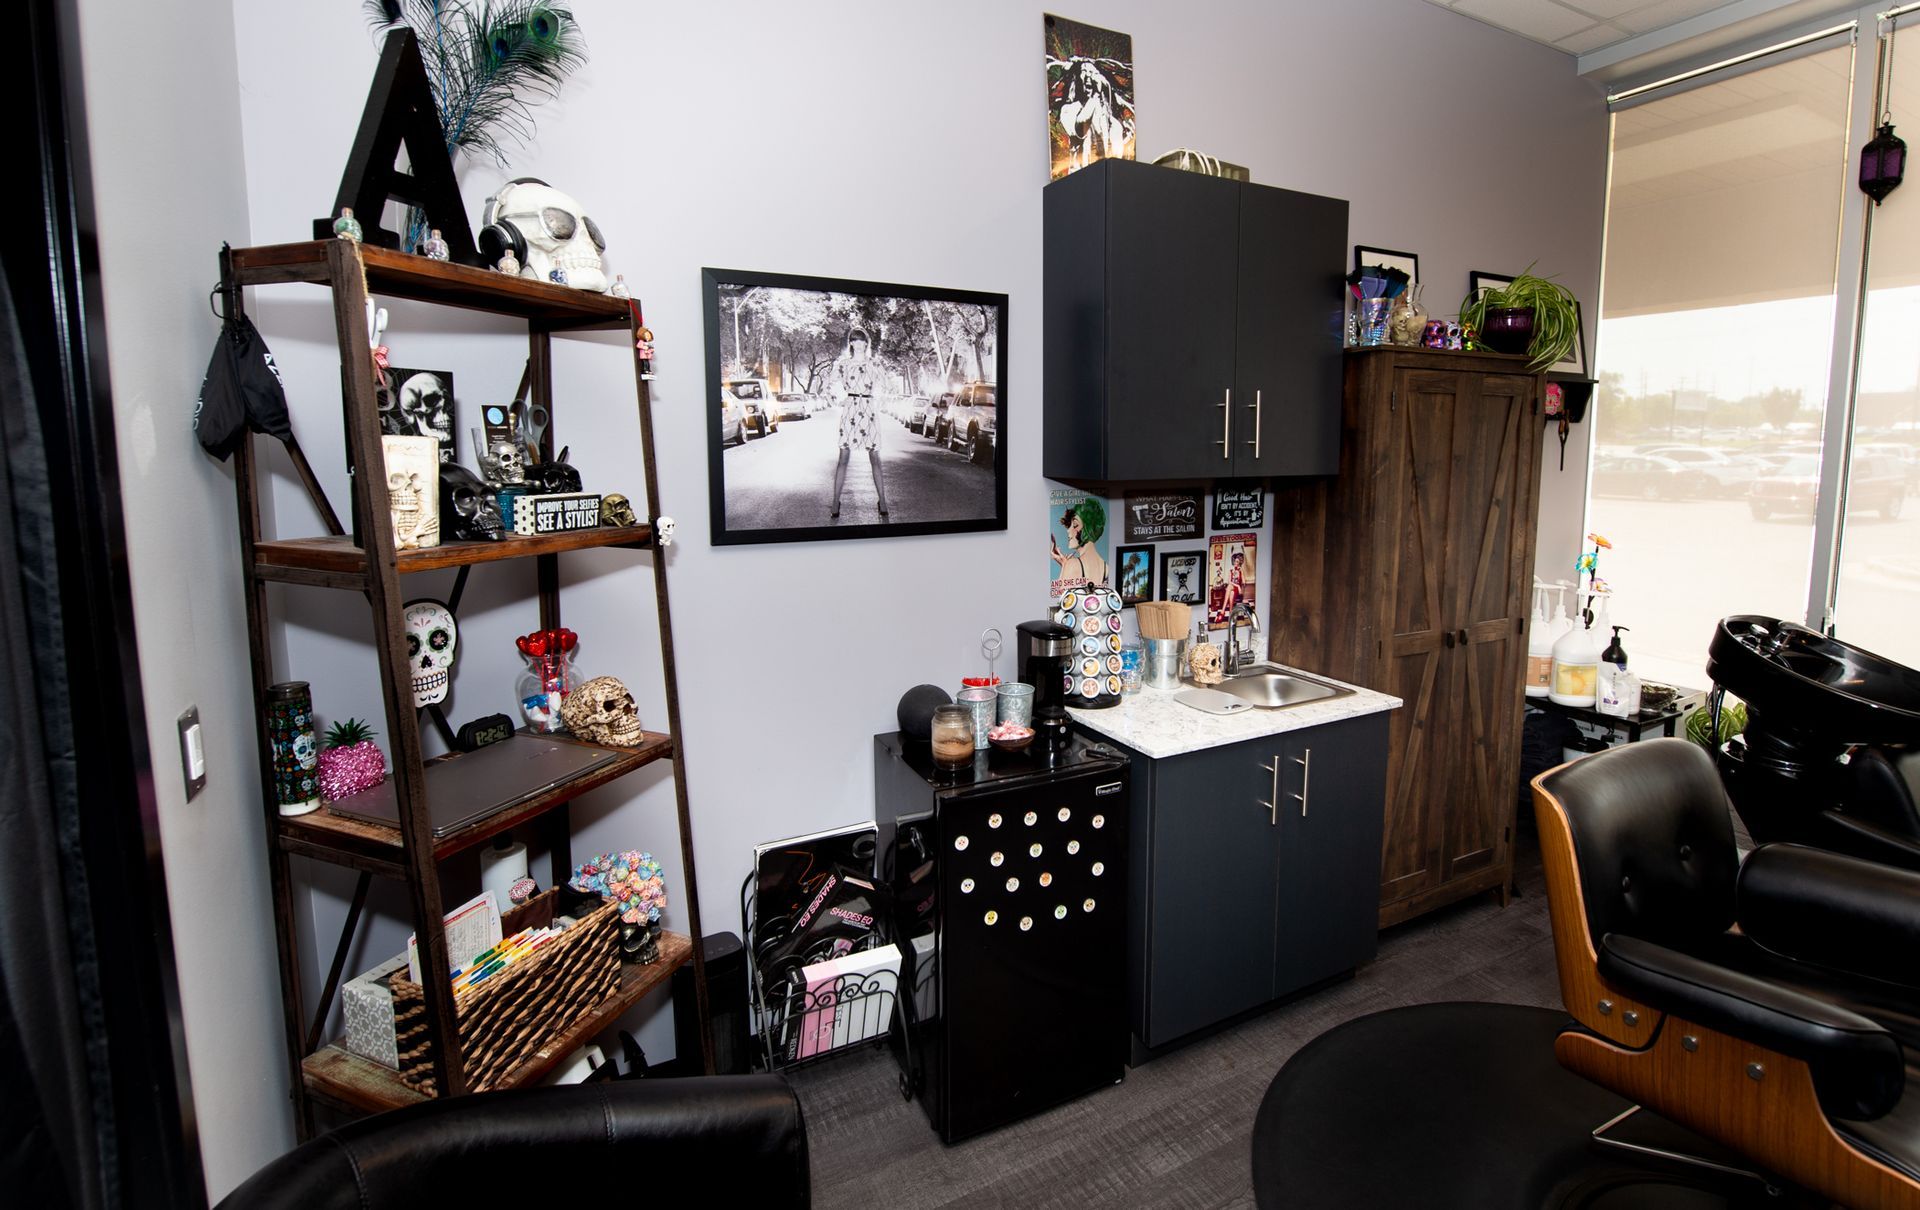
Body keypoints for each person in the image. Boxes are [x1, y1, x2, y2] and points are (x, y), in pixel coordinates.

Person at [830, 328, 889, 519]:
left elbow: (886, 385)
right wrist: (838, 399)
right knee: (843, 457)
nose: (858, 344)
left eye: (861, 340)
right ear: (851, 344)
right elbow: (830, 384)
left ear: (866, 343)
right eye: (854, 340)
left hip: (869, 410)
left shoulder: (875, 364)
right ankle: (835, 501)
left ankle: (882, 500)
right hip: (850, 410)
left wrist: (878, 401)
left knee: (875, 457)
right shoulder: (843, 364)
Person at [1050, 497, 1108, 586]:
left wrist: (1066, 566)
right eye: (1069, 525)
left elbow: (1061, 598)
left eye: (1075, 525)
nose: (1068, 530)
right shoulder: (1107, 568)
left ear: (1089, 528)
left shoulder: (1072, 565)